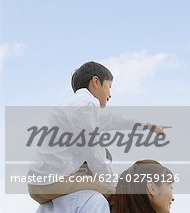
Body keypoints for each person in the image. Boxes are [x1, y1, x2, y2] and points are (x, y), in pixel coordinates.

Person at [27, 61, 171, 203]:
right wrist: (114, 185)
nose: (110, 94)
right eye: (109, 86)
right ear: (95, 82)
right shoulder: (86, 104)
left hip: (41, 181)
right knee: (119, 197)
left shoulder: (76, 104)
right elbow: (94, 152)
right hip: (49, 183)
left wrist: (148, 126)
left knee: (94, 177)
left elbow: (116, 120)